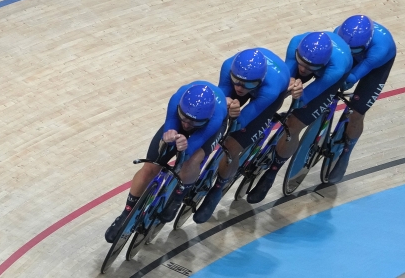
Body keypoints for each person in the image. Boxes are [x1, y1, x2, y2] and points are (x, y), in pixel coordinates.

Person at [105, 81, 228, 243]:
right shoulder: (177, 100)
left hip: (204, 132)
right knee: (150, 167)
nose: (186, 124)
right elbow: (171, 125)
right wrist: (169, 135)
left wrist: (185, 147)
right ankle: (126, 212)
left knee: (191, 161)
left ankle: (178, 196)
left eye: (192, 122)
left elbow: (191, 148)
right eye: (183, 118)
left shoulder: (215, 118)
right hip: (190, 118)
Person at [246, 31, 353, 203]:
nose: (303, 69)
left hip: (327, 77)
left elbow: (307, 96)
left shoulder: (336, 67)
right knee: (280, 90)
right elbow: (286, 77)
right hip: (312, 61)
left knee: (293, 123)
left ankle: (272, 171)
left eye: (307, 67)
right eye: (301, 63)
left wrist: (297, 96)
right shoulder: (296, 42)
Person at [192, 48, 292, 223]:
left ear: (259, 80)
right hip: (250, 79)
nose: (239, 88)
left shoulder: (271, 88)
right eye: (236, 82)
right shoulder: (228, 67)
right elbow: (221, 104)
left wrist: (235, 119)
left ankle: (218, 189)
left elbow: (241, 121)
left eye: (247, 85)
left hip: (266, 99)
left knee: (232, 145)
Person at [327, 15, 396, 182]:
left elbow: (352, 78)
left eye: (355, 49)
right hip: (354, 59)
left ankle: (346, 152)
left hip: (374, 68)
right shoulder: (338, 33)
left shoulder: (380, 50)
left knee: (356, 113)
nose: (351, 50)